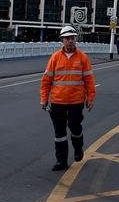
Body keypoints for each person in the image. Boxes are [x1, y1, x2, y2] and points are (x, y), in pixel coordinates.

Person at [40, 26, 96, 171]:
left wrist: (90, 98)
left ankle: (78, 148)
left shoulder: (83, 58)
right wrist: (44, 99)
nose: (70, 41)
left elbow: (89, 80)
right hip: (57, 101)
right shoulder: (55, 58)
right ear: (62, 41)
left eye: (72, 38)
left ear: (76, 39)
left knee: (74, 126)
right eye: (67, 39)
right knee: (59, 133)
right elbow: (46, 81)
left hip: (76, 102)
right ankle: (61, 161)